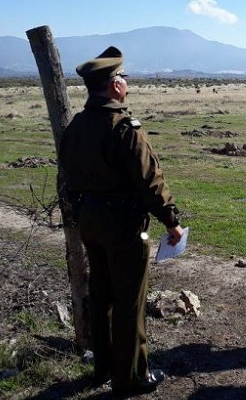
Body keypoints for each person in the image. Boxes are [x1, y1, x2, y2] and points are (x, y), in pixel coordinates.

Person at [59, 46, 184, 395]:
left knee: (102, 295)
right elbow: (150, 181)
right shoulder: (124, 127)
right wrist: (171, 221)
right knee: (130, 301)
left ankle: (102, 367)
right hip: (122, 225)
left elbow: (67, 172)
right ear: (114, 85)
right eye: (123, 78)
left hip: (89, 220)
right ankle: (132, 376)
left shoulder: (76, 125)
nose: (126, 83)